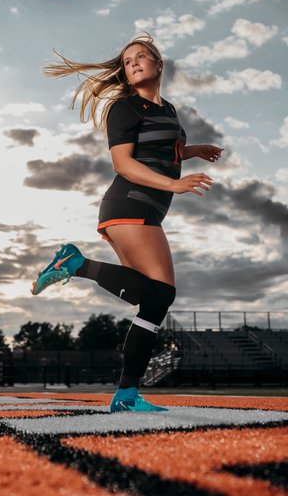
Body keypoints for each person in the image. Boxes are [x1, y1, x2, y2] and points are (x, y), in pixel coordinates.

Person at [31, 33, 223, 412]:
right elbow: (124, 163)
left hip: (143, 210)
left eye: (141, 56)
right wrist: (174, 184)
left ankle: (126, 396)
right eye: (128, 60)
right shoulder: (125, 107)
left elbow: (165, 148)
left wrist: (193, 151)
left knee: (152, 300)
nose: (133, 62)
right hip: (129, 204)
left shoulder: (167, 109)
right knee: (161, 295)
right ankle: (76, 264)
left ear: (159, 64)